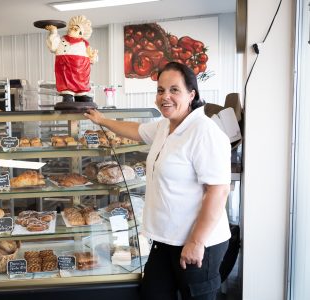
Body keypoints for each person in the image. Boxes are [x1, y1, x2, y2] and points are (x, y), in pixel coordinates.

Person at [84, 62, 231, 300]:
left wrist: (196, 241)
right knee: (153, 294)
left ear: (191, 94)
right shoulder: (166, 126)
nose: (166, 97)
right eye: (161, 90)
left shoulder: (204, 132)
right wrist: (103, 120)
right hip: (165, 239)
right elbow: (136, 129)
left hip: (198, 242)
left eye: (174, 90)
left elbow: (219, 191)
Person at [45, 15, 98, 103]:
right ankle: (67, 94)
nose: (71, 29)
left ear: (81, 33)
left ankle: (81, 95)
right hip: (65, 67)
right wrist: (53, 32)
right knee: (66, 81)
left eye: (75, 29)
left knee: (81, 81)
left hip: (81, 71)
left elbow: (92, 58)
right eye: (71, 27)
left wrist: (93, 57)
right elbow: (52, 47)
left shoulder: (85, 44)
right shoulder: (62, 40)